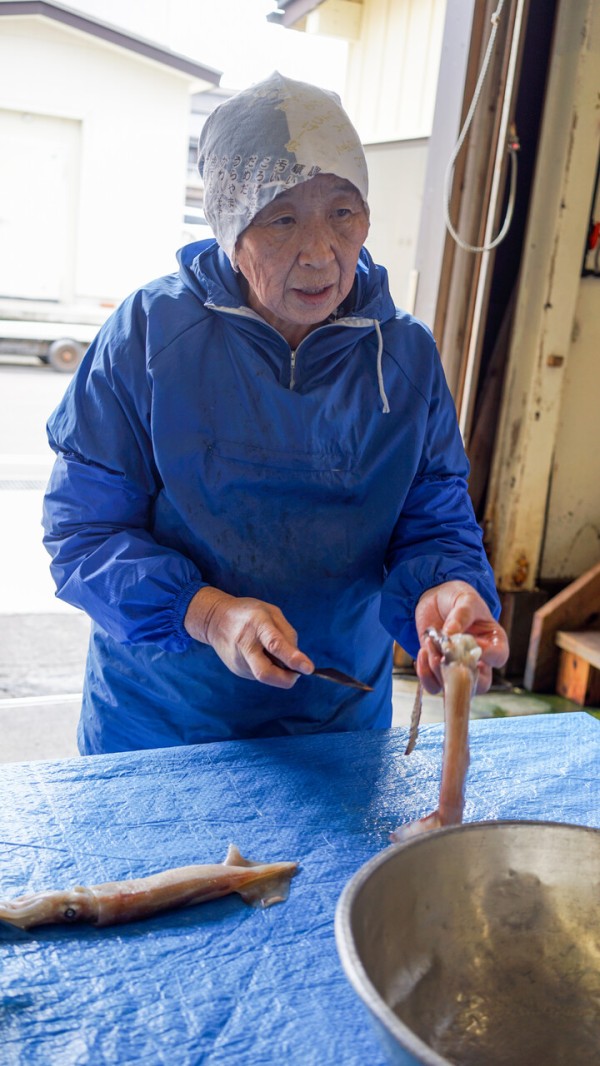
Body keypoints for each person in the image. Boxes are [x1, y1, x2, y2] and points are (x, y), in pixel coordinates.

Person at [42, 72, 508, 756]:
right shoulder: (149, 335)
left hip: (336, 719)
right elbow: (83, 533)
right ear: (230, 226)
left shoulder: (402, 355)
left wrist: (447, 592)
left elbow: (432, 518)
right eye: (283, 217)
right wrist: (207, 614)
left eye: (343, 213)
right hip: (164, 723)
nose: (321, 252)